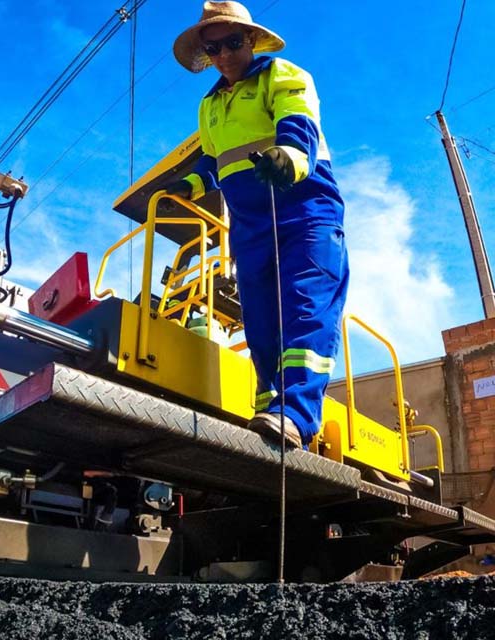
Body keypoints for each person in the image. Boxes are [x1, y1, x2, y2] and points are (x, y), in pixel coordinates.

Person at [170, 1, 349, 447]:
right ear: (207, 54)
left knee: (306, 304)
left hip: (305, 212)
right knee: (260, 318)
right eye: (214, 48)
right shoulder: (209, 105)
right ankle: (268, 403)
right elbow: (216, 159)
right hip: (249, 227)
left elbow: (298, 121)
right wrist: (190, 185)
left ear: (250, 40)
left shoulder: (282, 75)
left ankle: (297, 414)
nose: (225, 54)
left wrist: (289, 155)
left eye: (233, 42)